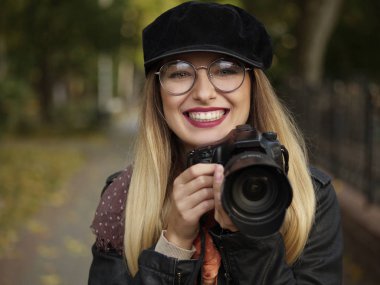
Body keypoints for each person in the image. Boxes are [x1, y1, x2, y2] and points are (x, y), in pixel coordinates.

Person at [88, 1, 342, 284]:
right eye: (180, 73)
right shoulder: (125, 198)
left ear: (253, 84)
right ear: (158, 93)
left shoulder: (309, 198)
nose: (204, 93)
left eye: (225, 69)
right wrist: (172, 246)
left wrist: (248, 239)